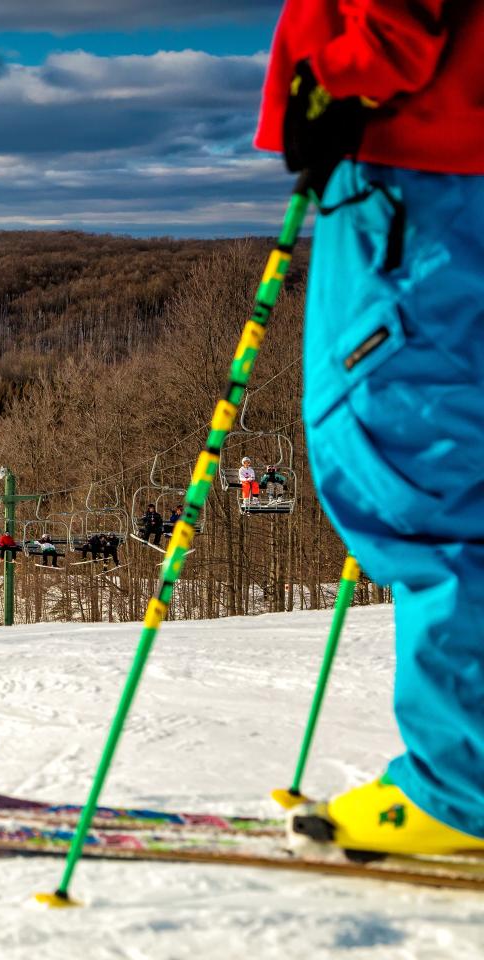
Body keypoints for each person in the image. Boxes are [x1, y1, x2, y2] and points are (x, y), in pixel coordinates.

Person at [257, 0, 484, 855]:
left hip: (417, 155)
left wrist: (348, 70)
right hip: (434, 147)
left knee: (418, 469)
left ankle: (466, 788)